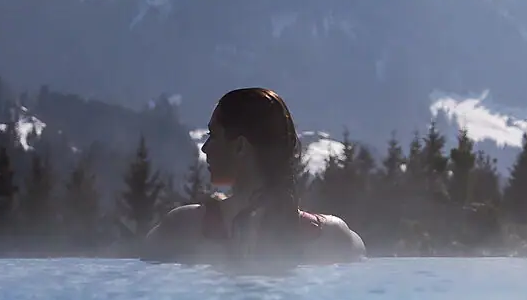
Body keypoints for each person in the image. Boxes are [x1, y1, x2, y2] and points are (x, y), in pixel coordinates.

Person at [145, 87, 365, 264]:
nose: (205, 148)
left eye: (213, 135)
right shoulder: (334, 237)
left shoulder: (183, 228)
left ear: (240, 146)